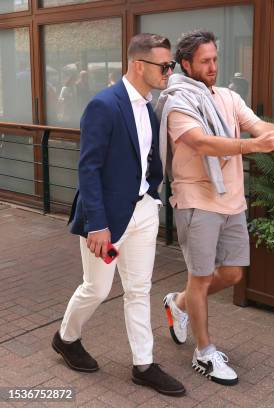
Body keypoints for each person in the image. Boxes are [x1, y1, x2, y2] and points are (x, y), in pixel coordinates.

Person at [156, 29, 274, 385]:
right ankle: (204, 353)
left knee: (234, 273)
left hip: (231, 199)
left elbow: (254, 125)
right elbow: (201, 143)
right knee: (201, 278)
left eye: (215, 59)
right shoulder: (177, 101)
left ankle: (179, 304)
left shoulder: (228, 97)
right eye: (205, 61)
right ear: (186, 63)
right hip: (196, 199)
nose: (213, 66)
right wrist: (254, 147)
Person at [52, 33, 185, 397]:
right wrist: (97, 224)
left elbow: (148, 159)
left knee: (139, 290)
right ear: (139, 65)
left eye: (170, 65)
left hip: (143, 210)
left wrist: (153, 193)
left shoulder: (151, 105)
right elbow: (88, 169)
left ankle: (144, 364)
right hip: (107, 218)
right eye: (164, 66)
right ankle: (66, 337)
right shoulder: (105, 105)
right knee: (96, 288)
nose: (169, 72)